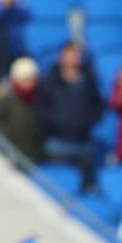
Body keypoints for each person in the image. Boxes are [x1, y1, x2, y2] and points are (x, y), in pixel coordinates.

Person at [36, 42, 104, 192]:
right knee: (58, 187)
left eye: (76, 54)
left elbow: (98, 106)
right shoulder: (50, 80)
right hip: (57, 142)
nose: (73, 58)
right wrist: (58, 122)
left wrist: (87, 122)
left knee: (87, 188)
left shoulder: (88, 79)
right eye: (69, 54)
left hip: (83, 142)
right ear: (62, 56)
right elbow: (42, 107)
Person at [0, 56, 44, 162]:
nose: (29, 84)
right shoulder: (7, 101)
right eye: (25, 79)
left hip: (32, 154)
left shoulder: (40, 101)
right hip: (10, 154)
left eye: (32, 79)